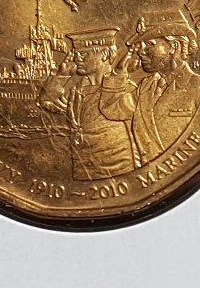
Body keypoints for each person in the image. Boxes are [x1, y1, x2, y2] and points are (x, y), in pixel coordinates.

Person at [40, 28, 137, 179]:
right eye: (76, 53)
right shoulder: (77, 91)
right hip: (83, 168)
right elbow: (46, 102)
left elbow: (125, 114)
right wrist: (61, 74)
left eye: (84, 54)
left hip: (118, 169)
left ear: (105, 54)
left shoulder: (125, 88)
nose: (77, 58)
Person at [126, 12, 200, 161]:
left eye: (149, 44)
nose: (140, 52)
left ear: (173, 46)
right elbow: (114, 111)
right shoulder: (145, 86)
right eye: (141, 46)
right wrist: (119, 72)